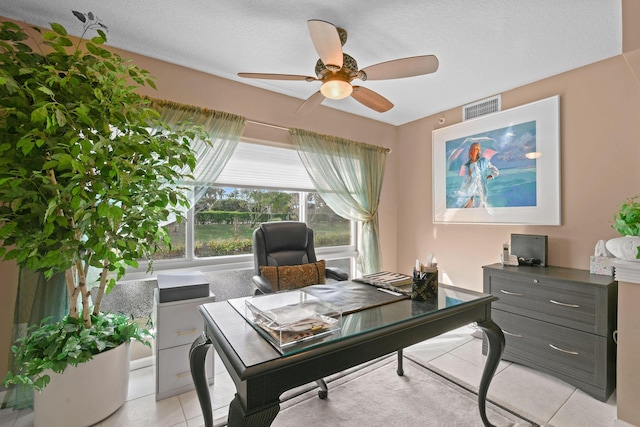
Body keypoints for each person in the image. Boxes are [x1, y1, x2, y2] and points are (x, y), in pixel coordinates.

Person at [454, 142, 499, 208]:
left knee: (480, 206)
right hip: (470, 189)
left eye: (476, 149)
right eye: (472, 149)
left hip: (480, 189)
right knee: (467, 206)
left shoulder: (484, 161)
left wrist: (488, 177)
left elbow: (495, 171)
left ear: (479, 151)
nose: (473, 151)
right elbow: (466, 180)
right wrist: (469, 173)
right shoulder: (468, 165)